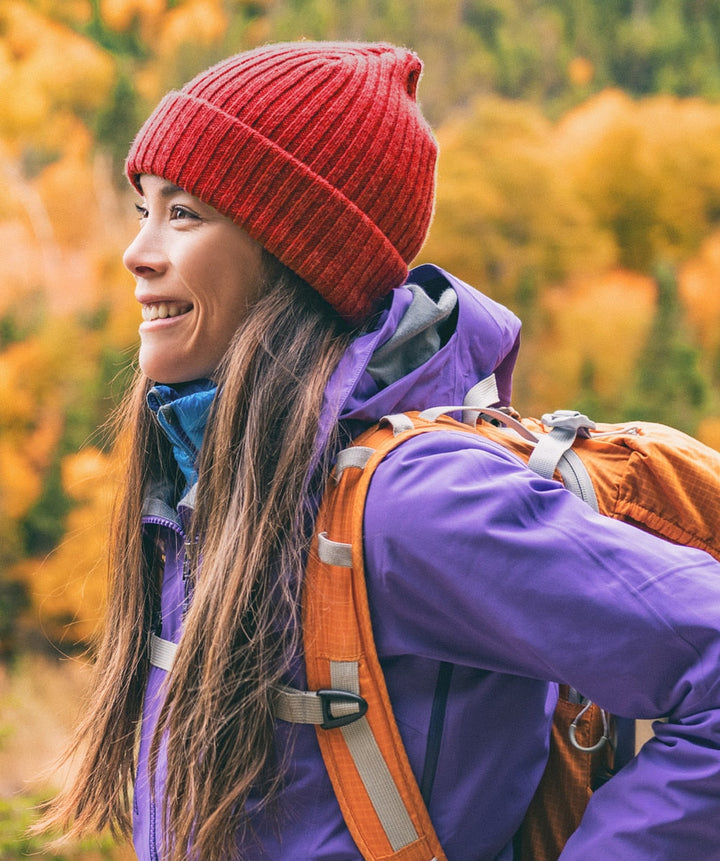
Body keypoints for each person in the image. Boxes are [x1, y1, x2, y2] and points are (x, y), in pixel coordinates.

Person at [43, 41, 720, 861]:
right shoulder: (207, 479)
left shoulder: (416, 503)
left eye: (184, 213)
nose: (137, 251)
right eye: (145, 207)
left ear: (298, 254)